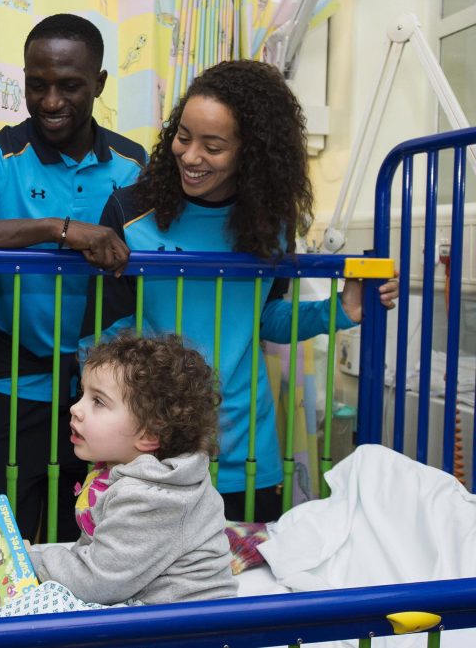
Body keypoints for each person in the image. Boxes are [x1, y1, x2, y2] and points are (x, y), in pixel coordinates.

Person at [85, 60, 398, 522]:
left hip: (248, 454)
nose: (190, 156)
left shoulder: (270, 224)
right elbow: (102, 334)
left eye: (212, 146)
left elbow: (267, 320)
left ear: (250, 154)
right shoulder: (130, 213)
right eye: (183, 136)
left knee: (249, 586)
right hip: (151, 453)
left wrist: (342, 309)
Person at [0, 13, 147, 542]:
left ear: (101, 85)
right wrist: (57, 229)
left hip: (108, 396)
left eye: (70, 86)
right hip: (11, 386)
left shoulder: (133, 166)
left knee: (90, 544)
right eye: (37, 85)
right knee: (6, 548)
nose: (50, 101)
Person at [27, 332, 236, 605]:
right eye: (82, 394)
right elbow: (97, 550)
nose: (76, 409)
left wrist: (31, 558)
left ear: (149, 436)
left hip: (185, 627)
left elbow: (96, 582)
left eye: (98, 401)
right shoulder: (119, 470)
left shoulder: (153, 497)